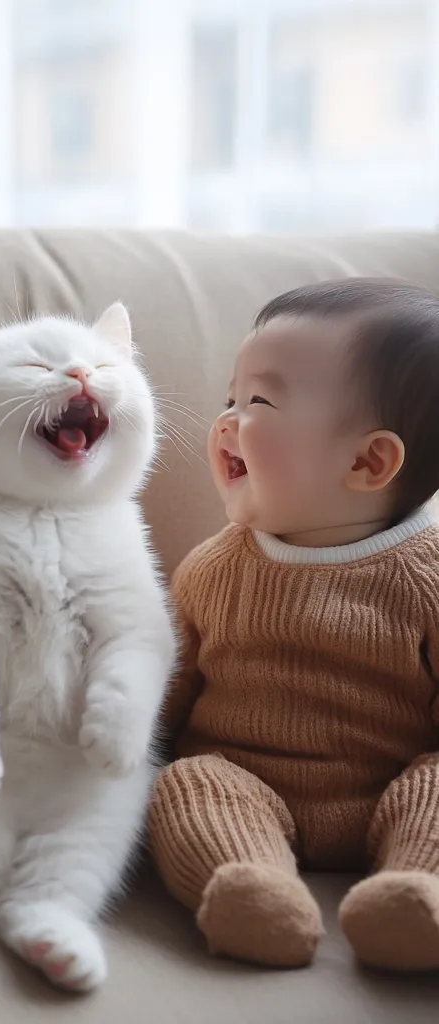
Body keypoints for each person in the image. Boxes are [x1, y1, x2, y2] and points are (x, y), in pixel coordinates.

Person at [149, 278, 439, 972]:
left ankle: (417, 896)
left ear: (368, 462)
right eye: (230, 397)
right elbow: (167, 693)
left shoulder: (425, 579)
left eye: (260, 402)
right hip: (244, 787)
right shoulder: (213, 569)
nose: (226, 421)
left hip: (396, 791)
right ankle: (253, 892)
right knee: (185, 785)